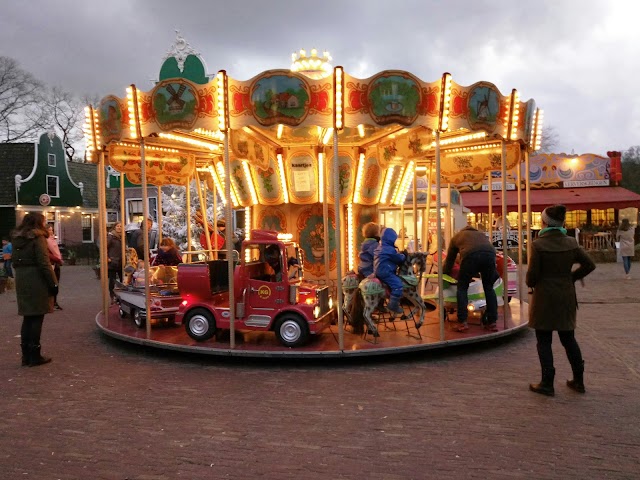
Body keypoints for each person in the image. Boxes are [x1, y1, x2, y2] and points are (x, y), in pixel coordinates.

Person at [526, 205, 596, 396]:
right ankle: (579, 381)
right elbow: (590, 264)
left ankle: (547, 383)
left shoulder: (538, 245)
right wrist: (571, 277)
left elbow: (531, 278)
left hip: (544, 298)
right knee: (568, 338)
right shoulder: (571, 243)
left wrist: (533, 281)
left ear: (545, 222)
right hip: (566, 296)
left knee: (544, 340)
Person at [11, 212, 58, 367]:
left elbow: (14, 261)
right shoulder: (38, 238)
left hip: (22, 278)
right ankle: (35, 356)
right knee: (37, 317)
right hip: (36, 279)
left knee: (27, 317)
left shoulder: (17, 239)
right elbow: (44, 263)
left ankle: (25, 355)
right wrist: (53, 283)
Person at [442, 224, 499, 332]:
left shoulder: (457, 237)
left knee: (462, 287)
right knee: (489, 288)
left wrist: (444, 273)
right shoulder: (481, 235)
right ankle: (492, 322)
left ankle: (462, 322)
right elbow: (486, 252)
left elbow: (450, 260)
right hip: (490, 254)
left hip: (470, 256)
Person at [374, 227, 406, 314]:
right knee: (398, 285)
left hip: (378, 271)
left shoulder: (380, 247)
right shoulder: (389, 250)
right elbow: (398, 259)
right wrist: (403, 255)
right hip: (386, 271)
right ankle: (393, 305)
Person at [46, 225, 63, 310]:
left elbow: (56, 251)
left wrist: (59, 258)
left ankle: (54, 302)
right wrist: (57, 259)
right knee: (52, 283)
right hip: (51, 264)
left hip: (56, 264)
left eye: (51, 230)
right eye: (49, 230)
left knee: (56, 283)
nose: (51, 232)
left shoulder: (52, 240)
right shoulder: (45, 241)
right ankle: (51, 303)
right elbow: (47, 253)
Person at [107, 222, 123, 302]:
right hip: (113, 261)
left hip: (121, 261)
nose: (119, 227)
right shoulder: (111, 236)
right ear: (114, 227)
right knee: (112, 280)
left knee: (123, 279)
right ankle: (112, 296)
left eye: (121, 226)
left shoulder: (123, 237)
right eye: (118, 226)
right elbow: (105, 246)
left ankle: (121, 296)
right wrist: (107, 258)